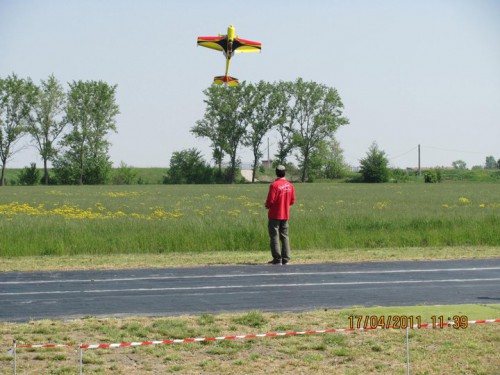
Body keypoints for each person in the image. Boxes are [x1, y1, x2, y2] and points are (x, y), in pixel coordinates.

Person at [265, 165, 296, 265]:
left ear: (276, 172)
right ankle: (286, 259)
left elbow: (270, 200)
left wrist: (267, 205)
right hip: (285, 214)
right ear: (285, 173)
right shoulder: (290, 185)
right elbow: (292, 201)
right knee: (285, 236)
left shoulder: (274, 185)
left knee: (274, 235)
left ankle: (277, 259)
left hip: (274, 214)